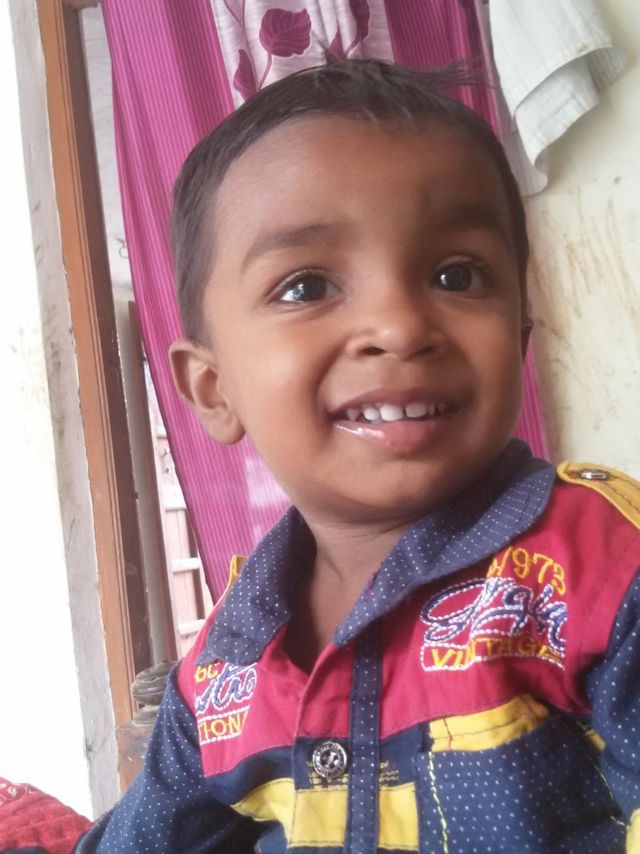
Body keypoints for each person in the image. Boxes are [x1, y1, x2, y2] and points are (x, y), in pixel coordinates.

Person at [76, 59, 640, 853]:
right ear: (213, 388)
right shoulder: (221, 669)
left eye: (456, 274)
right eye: (306, 287)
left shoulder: (606, 569)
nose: (401, 325)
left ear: (519, 336)